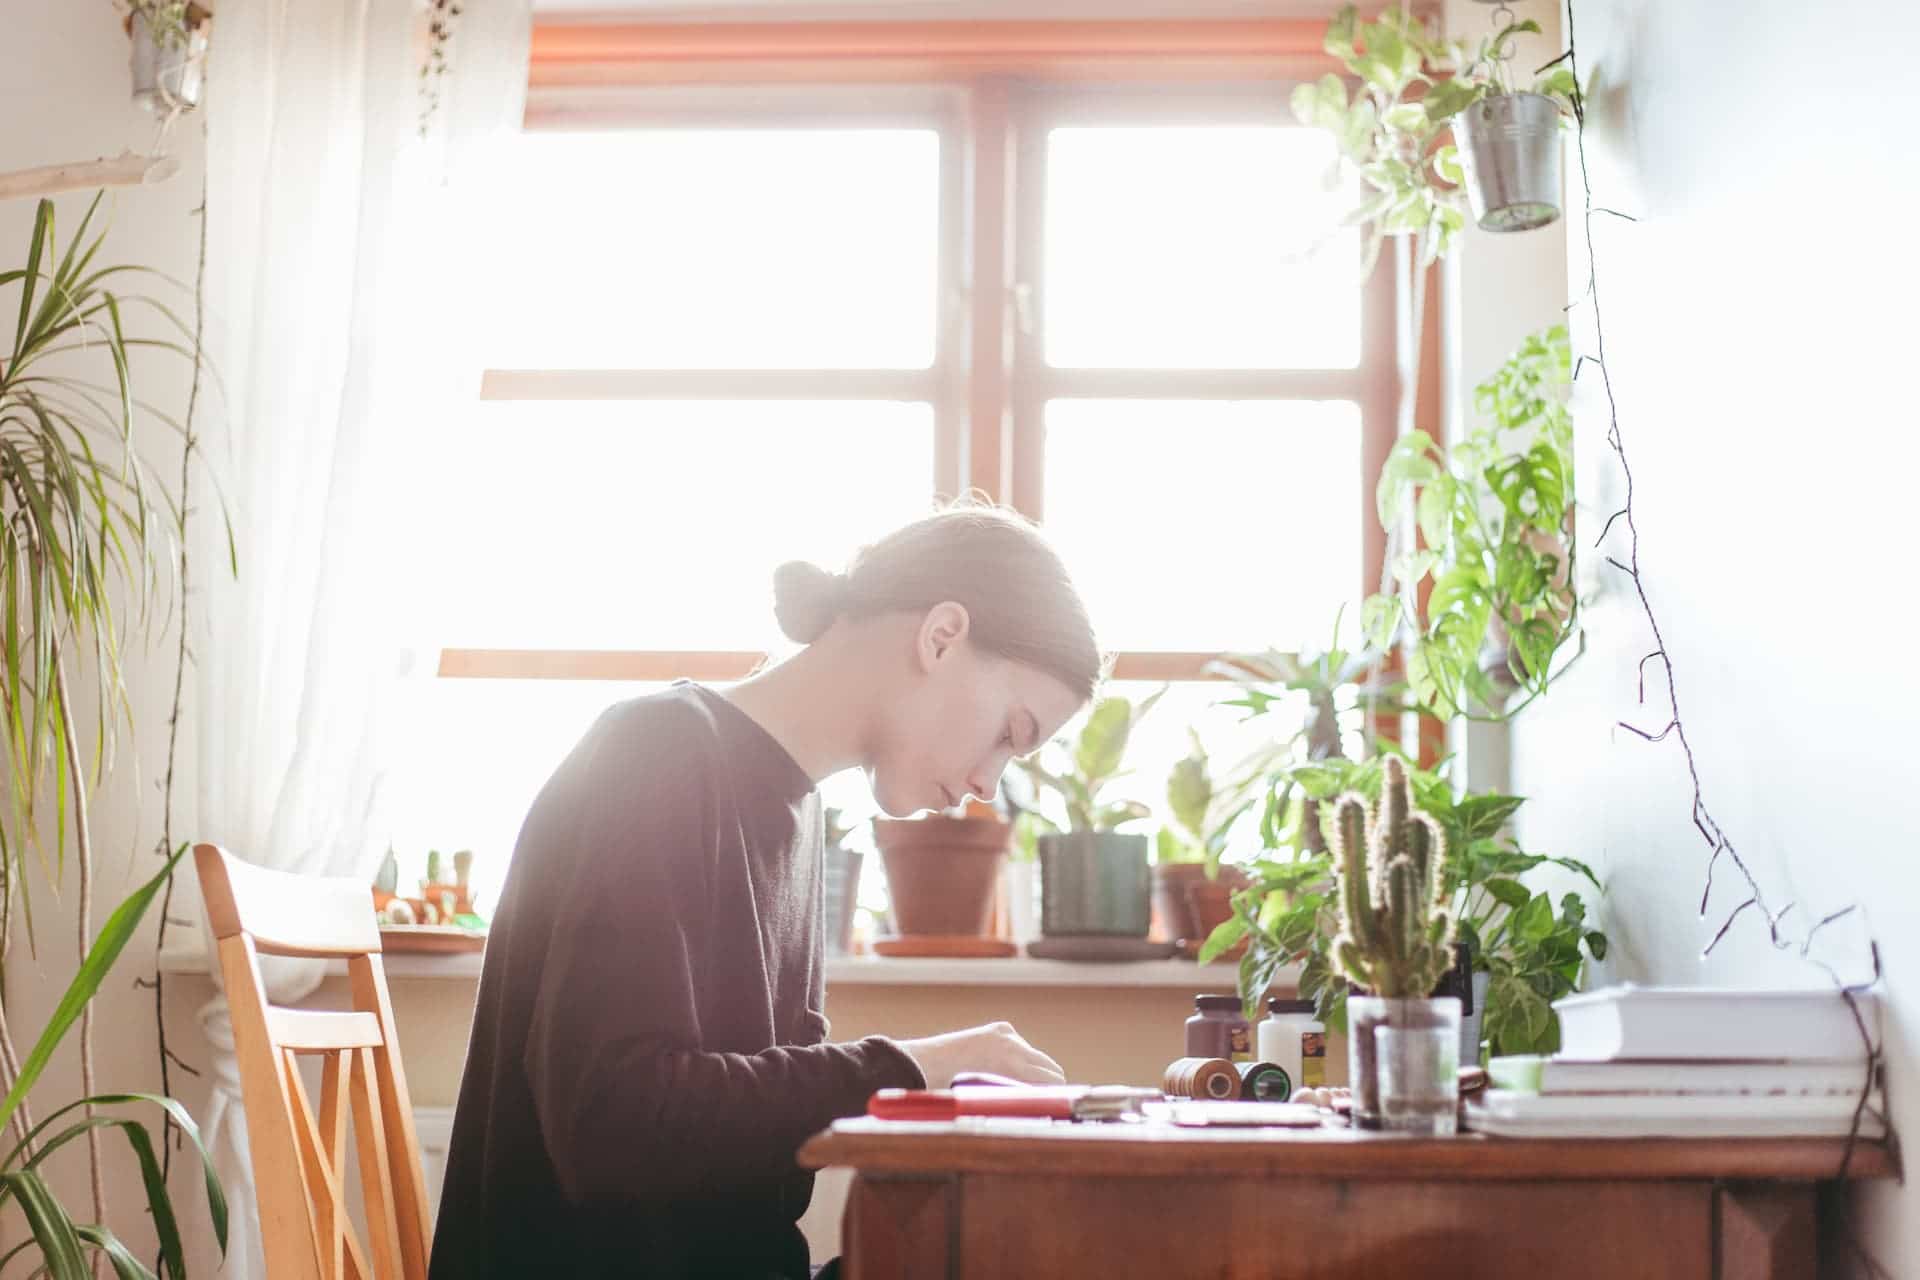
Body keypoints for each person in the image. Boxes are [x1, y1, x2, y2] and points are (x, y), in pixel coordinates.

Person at [429, 501, 1104, 1279]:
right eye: (1010, 734)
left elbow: (753, 1163)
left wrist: (936, 1101)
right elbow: (611, 1122)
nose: (989, 781)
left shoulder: (794, 809)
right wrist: (917, 1066)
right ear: (942, 637)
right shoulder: (657, 755)